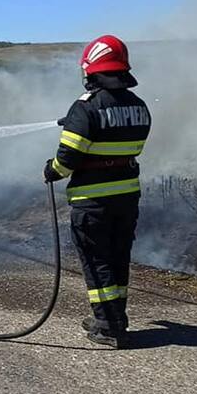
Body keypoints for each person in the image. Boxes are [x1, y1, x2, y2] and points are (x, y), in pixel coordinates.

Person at [43, 34, 152, 349]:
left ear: (92, 70)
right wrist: (81, 123)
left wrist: (52, 171)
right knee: (118, 259)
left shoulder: (86, 106)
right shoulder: (140, 106)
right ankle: (117, 318)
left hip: (92, 201)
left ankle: (106, 327)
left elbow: (68, 158)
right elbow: (123, 142)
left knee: (96, 261)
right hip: (127, 198)